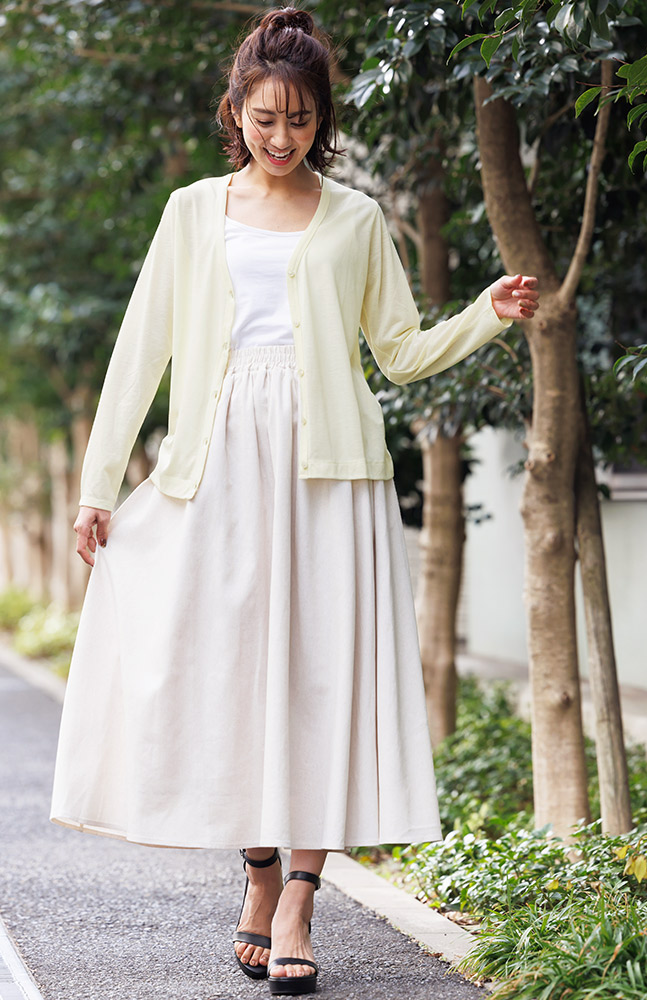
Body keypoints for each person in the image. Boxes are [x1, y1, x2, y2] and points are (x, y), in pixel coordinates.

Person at [48, 6, 539, 996]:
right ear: (236, 111)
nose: (283, 137)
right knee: (228, 671)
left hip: (331, 476)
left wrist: (483, 316)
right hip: (218, 465)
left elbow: (398, 353)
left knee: (319, 678)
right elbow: (142, 348)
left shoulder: (356, 218)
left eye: (302, 120)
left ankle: (301, 901)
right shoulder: (192, 211)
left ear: (323, 120)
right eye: (266, 118)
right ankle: (260, 871)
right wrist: (100, 484)